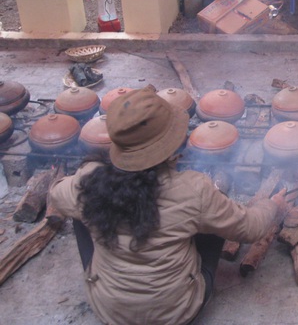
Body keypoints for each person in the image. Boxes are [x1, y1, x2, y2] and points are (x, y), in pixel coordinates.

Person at [49, 87, 284, 325]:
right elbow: (251, 228)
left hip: (110, 310)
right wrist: (271, 205)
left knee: (81, 208)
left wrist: (87, 173)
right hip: (177, 311)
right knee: (213, 217)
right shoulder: (192, 189)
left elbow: (57, 193)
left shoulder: (89, 180)